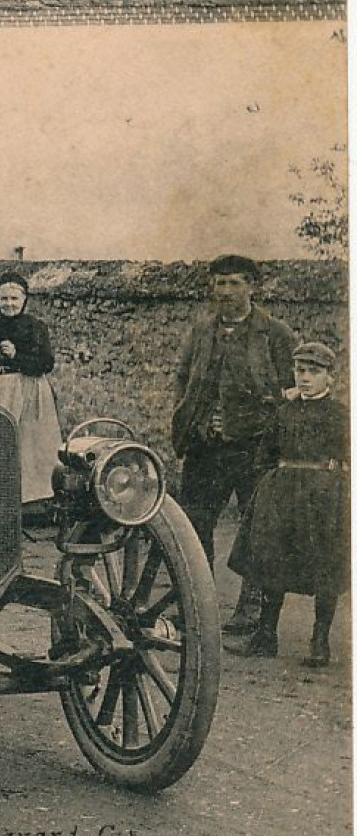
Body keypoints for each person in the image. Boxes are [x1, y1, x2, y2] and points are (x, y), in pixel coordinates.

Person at [171, 254, 297, 635]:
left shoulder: (275, 334)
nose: (226, 292)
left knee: (256, 527)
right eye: (220, 283)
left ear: (252, 287)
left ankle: (251, 610)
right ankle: (197, 605)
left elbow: (291, 391)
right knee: (194, 525)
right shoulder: (200, 331)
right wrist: (191, 418)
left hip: (254, 447)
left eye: (235, 283)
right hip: (204, 447)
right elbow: (182, 379)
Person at [225, 342, 348, 665]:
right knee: (271, 560)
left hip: (324, 497)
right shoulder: (284, 412)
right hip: (281, 496)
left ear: (330, 378)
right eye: (300, 370)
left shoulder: (341, 416)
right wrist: (272, 488)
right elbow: (264, 455)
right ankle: (266, 635)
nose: (305, 377)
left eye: (314, 371)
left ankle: (320, 641)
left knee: (326, 563)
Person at [0, 272, 62, 504]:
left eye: (14, 298)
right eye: (4, 299)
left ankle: (35, 498)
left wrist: (16, 356)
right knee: (0, 439)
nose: (9, 304)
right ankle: (1, 496)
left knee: (31, 443)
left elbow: (45, 363)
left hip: (28, 389)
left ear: (24, 299)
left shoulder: (35, 327)